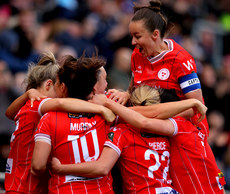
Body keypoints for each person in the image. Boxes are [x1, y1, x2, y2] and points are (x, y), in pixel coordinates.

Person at [50, 85, 219, 193]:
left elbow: (102, 167)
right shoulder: (169, 128)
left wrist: (61, 168)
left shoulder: (121, 131)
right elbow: (149, 117)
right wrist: (191, 103)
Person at [4, 52, 115, 194]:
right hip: (26, 186)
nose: (62, 89)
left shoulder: (28, 104)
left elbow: (8, 113)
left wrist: (26, 94)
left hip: (18, 183)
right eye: (59, 84)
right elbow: (61, 103)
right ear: (49, 84)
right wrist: (100, 108)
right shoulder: (39, 103)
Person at [107, 0, 209, 138]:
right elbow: (133, 89)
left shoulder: (181, 60)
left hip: (183, 132)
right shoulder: (137, 55)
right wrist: (125, 95)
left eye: (137, 36)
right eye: (132, 36)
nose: (133, 42)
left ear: (155, 34)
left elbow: (195, 106)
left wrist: (159, 119)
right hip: (150, 128)